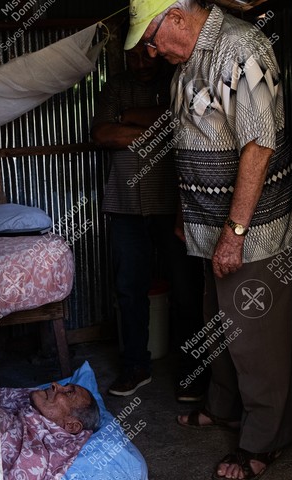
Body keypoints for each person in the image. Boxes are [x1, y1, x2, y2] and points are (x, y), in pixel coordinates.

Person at [125, 0, 292, 478]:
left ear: (177, 17)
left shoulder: (240, 47)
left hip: (251, 229)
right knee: (218, 326)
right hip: (208, 224)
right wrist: (188, 212)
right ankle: (223, 408)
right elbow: (192, 138)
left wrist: (235, 232)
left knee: (254, 338)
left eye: (154, 39)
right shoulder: (189, 61)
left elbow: (259, 144)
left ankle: (265, 440)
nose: (154, 52)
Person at [92, 43, 205, 401]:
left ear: (158, 49)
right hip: (125, 205)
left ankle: (193, 373)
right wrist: (160, 129)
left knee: (186, 291)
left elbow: (185, 123)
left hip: (173, 204)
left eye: (146, 54)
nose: (140, 63)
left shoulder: (179, 78)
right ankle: (135, 367)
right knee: (129, 289)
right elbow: (102, 135)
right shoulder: (114, 87)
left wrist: (128, 117)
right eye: (133, 56)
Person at [0, 382, 101, 479]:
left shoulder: (33, 459)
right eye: (64, 385)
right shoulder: (25, 402)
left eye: (69, 393)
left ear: (71, 426)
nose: (54, 384)